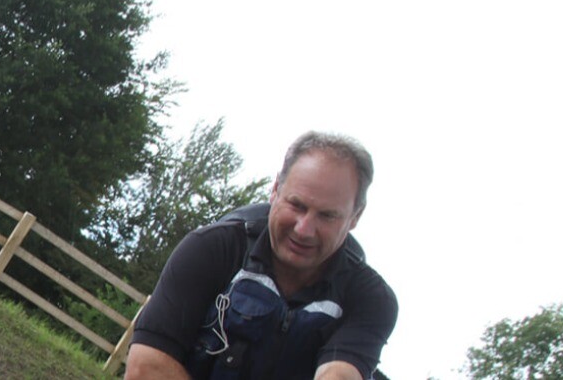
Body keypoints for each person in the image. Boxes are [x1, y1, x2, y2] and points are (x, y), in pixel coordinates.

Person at [126, 132, 398, 380]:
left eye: (327, 216)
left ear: (355, 217)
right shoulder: (211, 248)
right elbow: (145, 367)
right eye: (297, 205)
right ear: (275, 189)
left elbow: (340, 375)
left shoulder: (371, 300)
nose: (304, 229)